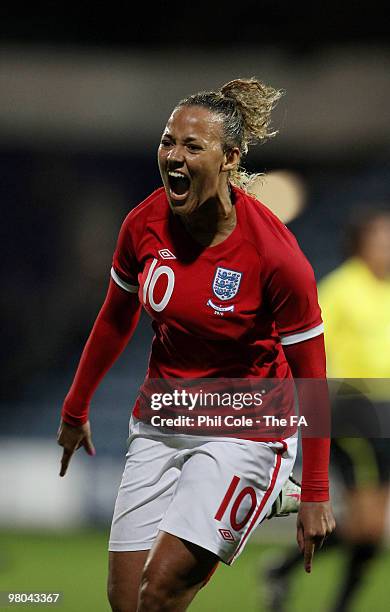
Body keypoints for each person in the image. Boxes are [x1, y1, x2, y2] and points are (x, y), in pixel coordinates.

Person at [57, 77, 335, 612]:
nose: (173, 157)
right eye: (167, 141)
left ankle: (275, 484)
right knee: (125, 602)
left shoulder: (276, 255)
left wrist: (318, 491)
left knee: (159, 592)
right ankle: (262, 498)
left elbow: (313, 376)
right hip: (163, 418)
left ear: (230, 157)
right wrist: (75, 407)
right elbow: (116, 318)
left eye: (192, 146)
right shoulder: (143, 224)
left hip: (247, 429)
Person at [263, 207, 390, 612]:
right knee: (369, 525)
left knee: (367, 528)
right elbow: (310, 355)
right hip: (354, 409)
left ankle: (282, 569)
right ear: (361, 245)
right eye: (382, 239)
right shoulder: (338, 290)